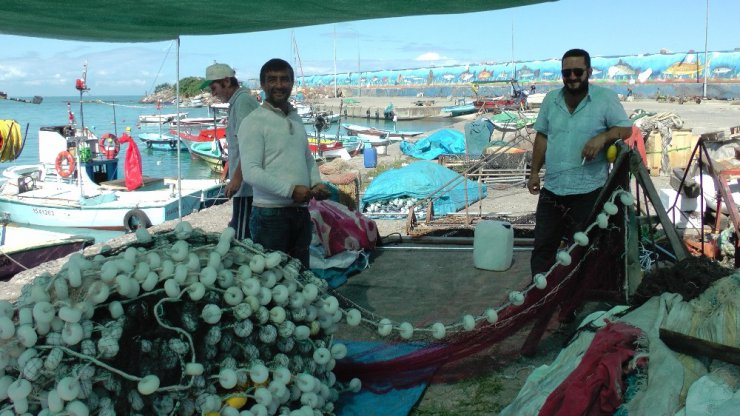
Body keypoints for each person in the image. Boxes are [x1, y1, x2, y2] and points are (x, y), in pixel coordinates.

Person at [527, 48, 633, 277]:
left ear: (589, 71)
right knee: (543, 249)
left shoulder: (605, 98)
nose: (572, 77)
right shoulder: (550, 100)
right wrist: (534, 172)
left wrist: (603, 137)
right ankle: (537, 297)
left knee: (584, 249)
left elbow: (626, 129)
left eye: (578, 71)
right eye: (567, 73)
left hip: (588, 191)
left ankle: (575, 298)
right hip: (553, 189)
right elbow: (542, 136)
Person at [239, 58, 330, 268]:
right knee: (274, 281)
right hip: (269, 216)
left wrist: (316, 183)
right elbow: (251, 172)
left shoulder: (296, 118)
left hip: (300, 213)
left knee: (300, 278)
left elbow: (307, 157)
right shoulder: (253, 122)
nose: (279, 85)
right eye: (272, 79)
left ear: (292, 83)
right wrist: (290, 191)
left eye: (284, 79)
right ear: (262, 84)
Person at [201, 63, 259, 241]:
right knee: (238, 226)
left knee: (243, 238)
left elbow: (251, 144)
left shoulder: (242, 102)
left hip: (247, 186)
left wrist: (236, 179)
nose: (213, 94)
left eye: (214, 88)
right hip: (245, 181)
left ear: (226, 81)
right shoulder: (238, 102)